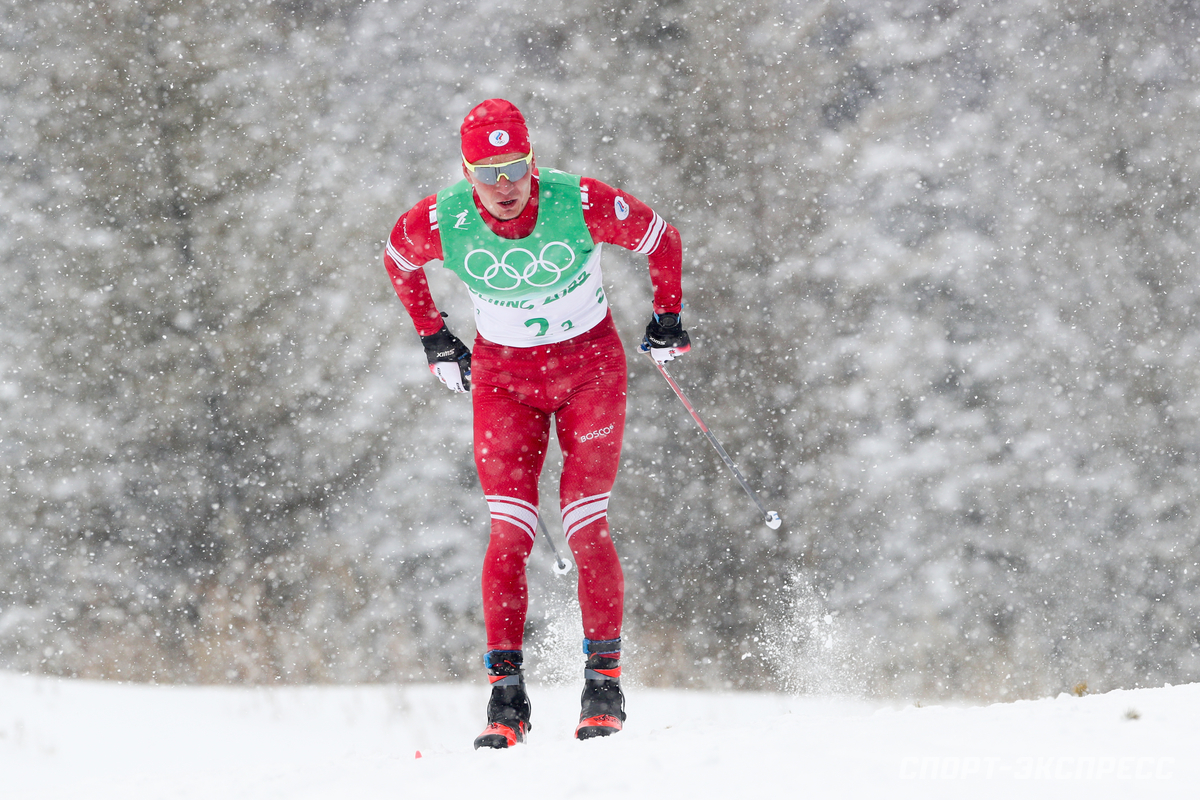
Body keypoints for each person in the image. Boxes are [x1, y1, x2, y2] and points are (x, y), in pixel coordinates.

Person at [383, 98, 691, 749]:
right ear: (467, 171)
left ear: (533, 162)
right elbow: (397, 259)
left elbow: (661, 239)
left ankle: (602, 684)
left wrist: (667, 319)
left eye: (515, 167)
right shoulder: (441, 220)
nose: (503, 185)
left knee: (584, 520)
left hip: (590, 373)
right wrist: (435, 339)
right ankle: (507, 696)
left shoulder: (577, 201)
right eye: (487, 171)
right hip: (505, 382)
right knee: (511, 530)